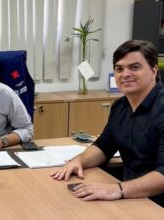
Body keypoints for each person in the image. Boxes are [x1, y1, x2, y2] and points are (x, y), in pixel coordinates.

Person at [51, 40, 164, 207]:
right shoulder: (120, 106)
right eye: (119, 69)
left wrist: (117, 189)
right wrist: (79, 160)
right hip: (133, 196)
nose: (125, 74)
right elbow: (104, 146)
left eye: (134, 67)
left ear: (153, 71)